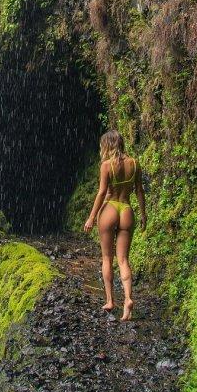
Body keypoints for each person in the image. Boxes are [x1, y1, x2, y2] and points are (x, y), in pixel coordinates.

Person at [84, 130, 147, 321]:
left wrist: (91, 217)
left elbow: (102, 192)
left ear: (107, 145)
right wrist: (143, 214)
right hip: (126, 209)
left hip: (109, 209)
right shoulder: (134, 163)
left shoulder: (106, 165)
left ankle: (110, 301)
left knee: (107, 258)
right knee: (123, 259)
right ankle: (128, 299)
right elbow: (139, 191)